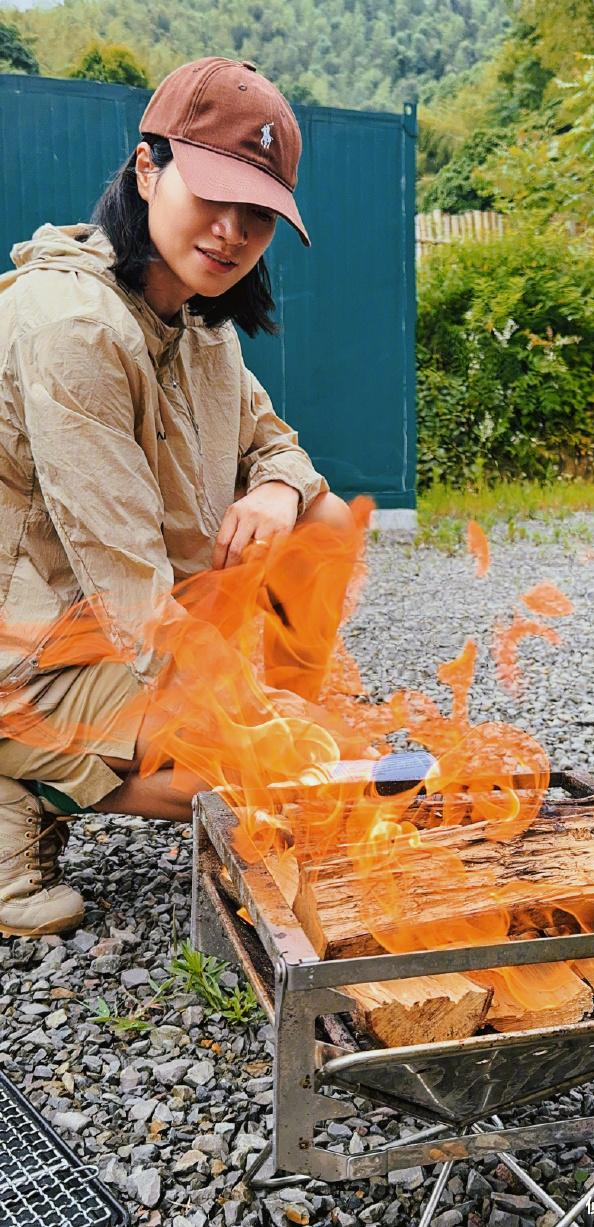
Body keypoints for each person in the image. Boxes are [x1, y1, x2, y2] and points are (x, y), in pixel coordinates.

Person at [0, 57, 354, 938]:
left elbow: (278, 446)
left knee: (321, 519)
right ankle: (20, 775)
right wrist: (257, 725)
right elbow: (131, 589)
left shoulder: (196, 319)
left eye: (258, 213)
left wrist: (276, 490)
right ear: (148, 168)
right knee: (251, 766)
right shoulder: (74, 328)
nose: (233, 231)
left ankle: (254, 756)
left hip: (109, 627)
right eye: (214, 194)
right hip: (28, 653)